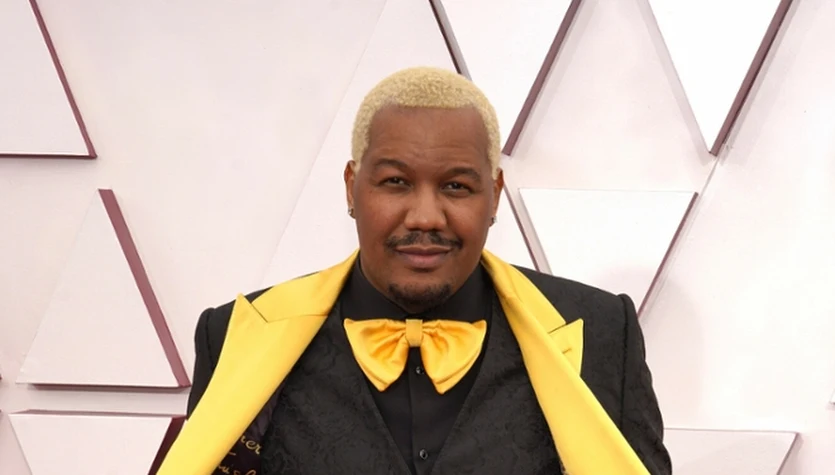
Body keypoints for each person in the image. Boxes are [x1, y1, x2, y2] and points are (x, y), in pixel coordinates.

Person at [157, 67, 672, 475]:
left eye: (456, 187)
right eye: (396, 182)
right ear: (351, 187)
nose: (426, 217)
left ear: (494, 194)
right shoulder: (237, 335)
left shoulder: (602, 333)